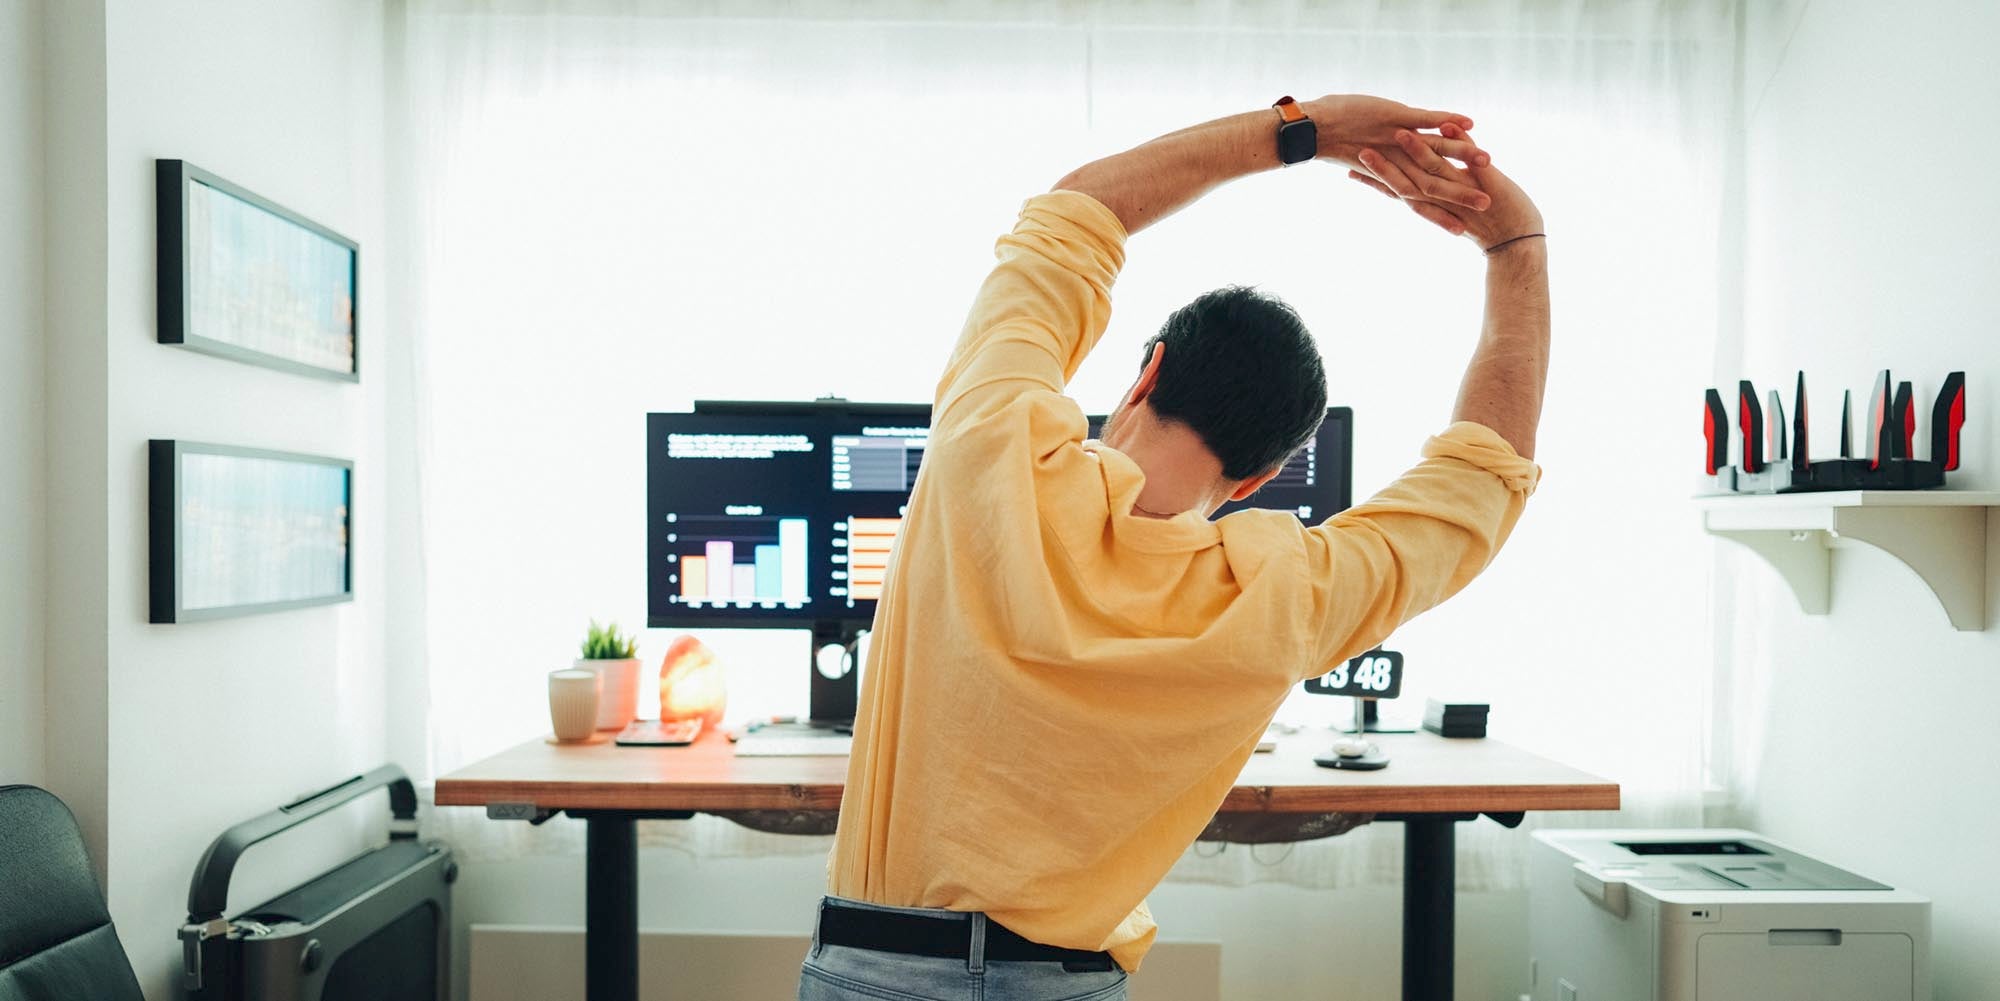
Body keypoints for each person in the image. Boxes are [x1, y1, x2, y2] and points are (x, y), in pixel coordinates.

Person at [798, 94, 1549, 1001]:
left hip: (877, 969)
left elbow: (1076, 214)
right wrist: (1517, 248)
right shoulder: (1283, 592)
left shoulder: (989, 444)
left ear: (1146, 370)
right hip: (1068, 985)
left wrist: (1303, 131)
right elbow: (1483, 476)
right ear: (1261, 477)